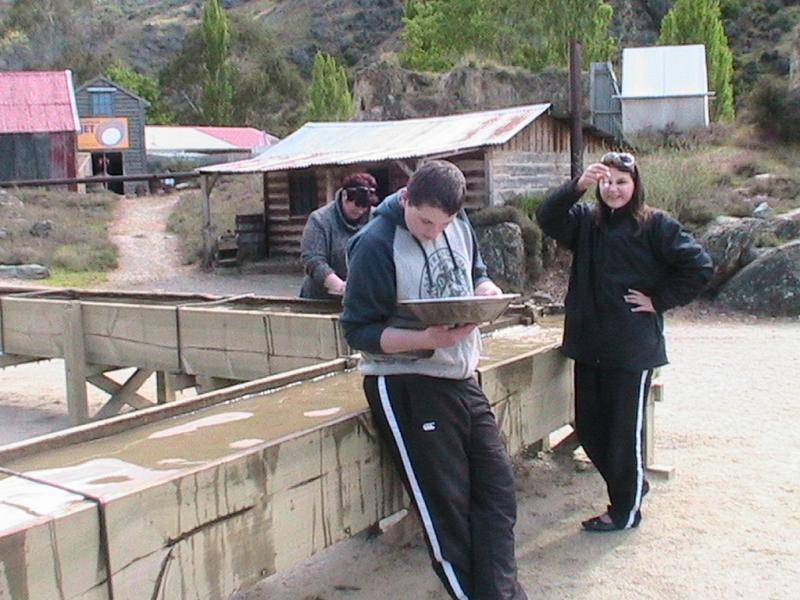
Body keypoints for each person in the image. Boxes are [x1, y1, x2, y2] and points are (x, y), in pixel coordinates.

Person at [341, 160, 527, 599]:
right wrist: (425, 338)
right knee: (447, 510)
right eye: (425, 222)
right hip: (406, 381)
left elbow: (475, 270)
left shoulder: (456, 222)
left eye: (443, 224)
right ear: (406, 197)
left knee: (498, 493)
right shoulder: (375, 244)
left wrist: (484, 289)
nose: (433, 232)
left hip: (460, 374)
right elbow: (357, 331)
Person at [536, 151, 713, 532]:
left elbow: (699, 266)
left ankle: (625, 511)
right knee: (589, 429)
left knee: (623, 436)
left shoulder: (656, 225)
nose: (613, 189)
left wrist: (659, 300)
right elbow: (547, 217)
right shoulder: (585, 223)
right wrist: (577, 185)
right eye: (606, 182)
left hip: (632, 349)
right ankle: (633, 485)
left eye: (621, 182)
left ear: (635, 185)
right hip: (588, 346)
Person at [298, 172, 378, 299]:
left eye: (364, 207)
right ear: (345, 195)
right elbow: (313, 260)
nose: (360, 211)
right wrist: (340, 286)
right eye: (357, 205)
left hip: (363, 298)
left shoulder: (376, 219)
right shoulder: (319, 220)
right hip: (320, 298)